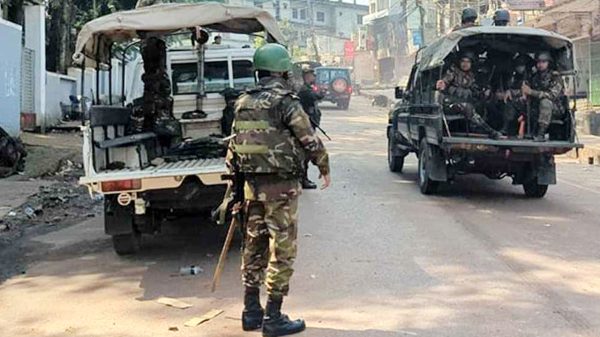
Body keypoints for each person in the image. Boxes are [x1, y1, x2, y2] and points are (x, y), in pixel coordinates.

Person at [230, 43, 331, 336]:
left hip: (250, 187)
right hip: (281, 188)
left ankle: (251, 312)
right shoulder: (286, 101)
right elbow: (308, 139)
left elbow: (234, 144)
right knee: (282, 249)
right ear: (282, 71)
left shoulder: (242, 102)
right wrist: (323, 166)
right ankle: (273, 317)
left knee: (254, 246)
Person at [436, 51, 502, 139]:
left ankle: (482, 128)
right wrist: (442, 83)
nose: (465, 64)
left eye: (468, 62)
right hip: (451, 103)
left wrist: (485, 93)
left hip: (468, 102)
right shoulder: (453, 72)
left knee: (486, 105)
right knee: (467, 107)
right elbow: (445, 81)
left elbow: (476, 90)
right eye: (463, 61)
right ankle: (490, 131)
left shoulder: (472, 76)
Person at [521, 51, 564, 141]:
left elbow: (552, 95)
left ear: (549, 63)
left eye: (543, 62)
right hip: (536, 106)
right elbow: (526, 90)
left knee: (545, 102)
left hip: (554, 108)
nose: (540, 64)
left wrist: (531, 92)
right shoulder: (535, 76)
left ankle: (541, 134)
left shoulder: (555, 76)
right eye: (538, 62)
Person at [297, 67, 324, 189]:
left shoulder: (307, 89)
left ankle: (303, 178)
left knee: (306, 153)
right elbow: (315, 97)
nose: (314, 78)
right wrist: (322, 92)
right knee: (306, 153)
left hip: (309, 125)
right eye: (312, 75)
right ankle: (303, 179)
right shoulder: (305, 90)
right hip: (306, 126)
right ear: (307, 76)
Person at [502, 53, 533, 135]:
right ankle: (506, 128)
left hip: (531, 102)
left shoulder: (532, 76)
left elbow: (530, 90)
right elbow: (511, 87)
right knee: (510, 103)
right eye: (518, 65)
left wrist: (514, 92)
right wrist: (509, 91)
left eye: (521, 65)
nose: (519, 68)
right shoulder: (514, 76)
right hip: (518, 102)